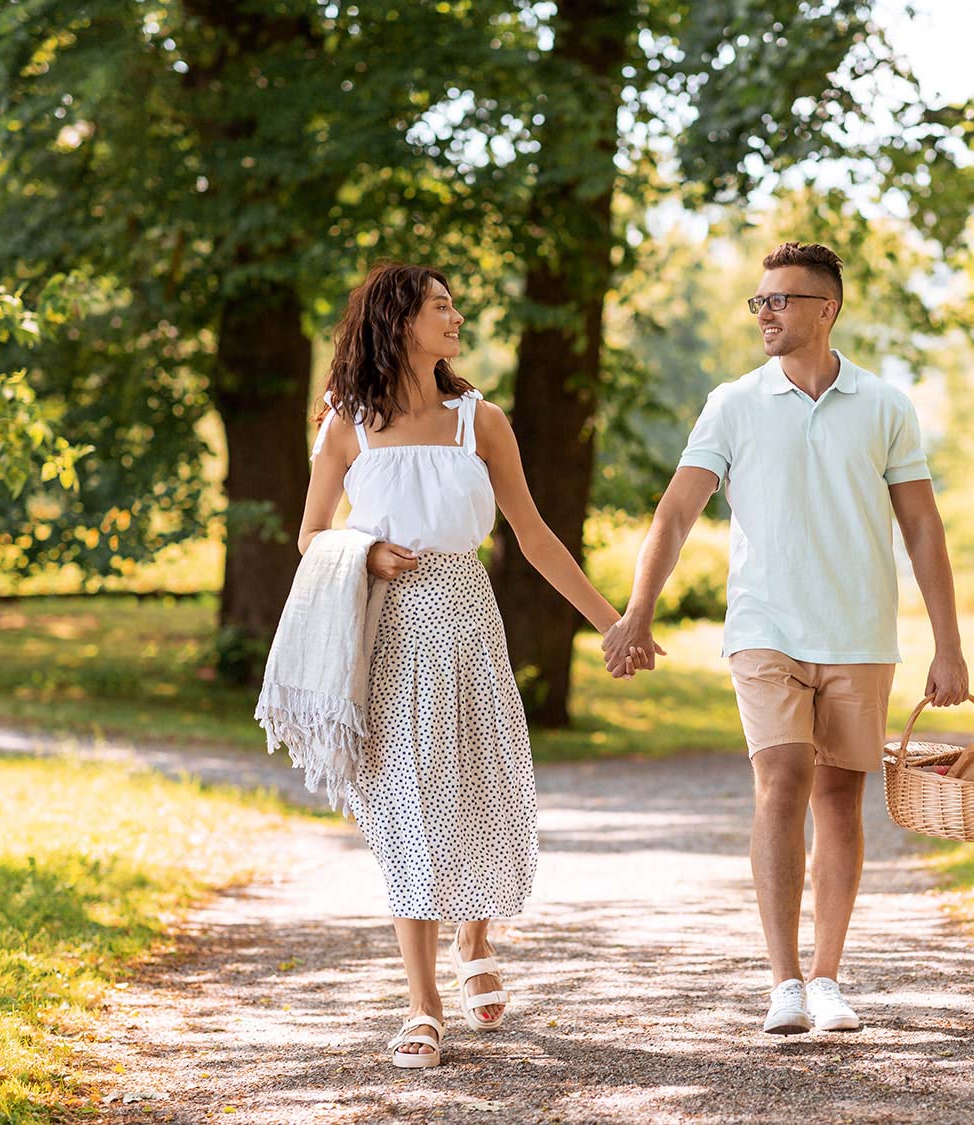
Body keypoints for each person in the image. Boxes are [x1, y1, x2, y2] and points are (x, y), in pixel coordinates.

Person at [603, 241, 969, 1034]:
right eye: (760, 300)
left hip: (859, 632)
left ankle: (828, 977)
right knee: (780, 783)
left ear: (826, 309)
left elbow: (923, 528)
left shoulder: (884, 404)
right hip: (764, 626)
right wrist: (639, 610)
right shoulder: (732, 402)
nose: (766, 312)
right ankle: (784, 982)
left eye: (782, 299)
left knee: (839, 798)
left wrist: (949, 644)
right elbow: (676, 512)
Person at [297, 261, 650, 1067]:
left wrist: (616, 623)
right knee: (409, 805)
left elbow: (534, 534)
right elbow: (312, 533)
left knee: (481, 782)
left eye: (454, 306)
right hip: (387, 627)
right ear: (399, 321)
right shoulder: (347, 424)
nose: (456, 318)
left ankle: (475, 933)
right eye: (441, 307)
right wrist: (365, 551)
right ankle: (422, 1007)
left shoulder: (479, 420)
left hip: (467, 616)